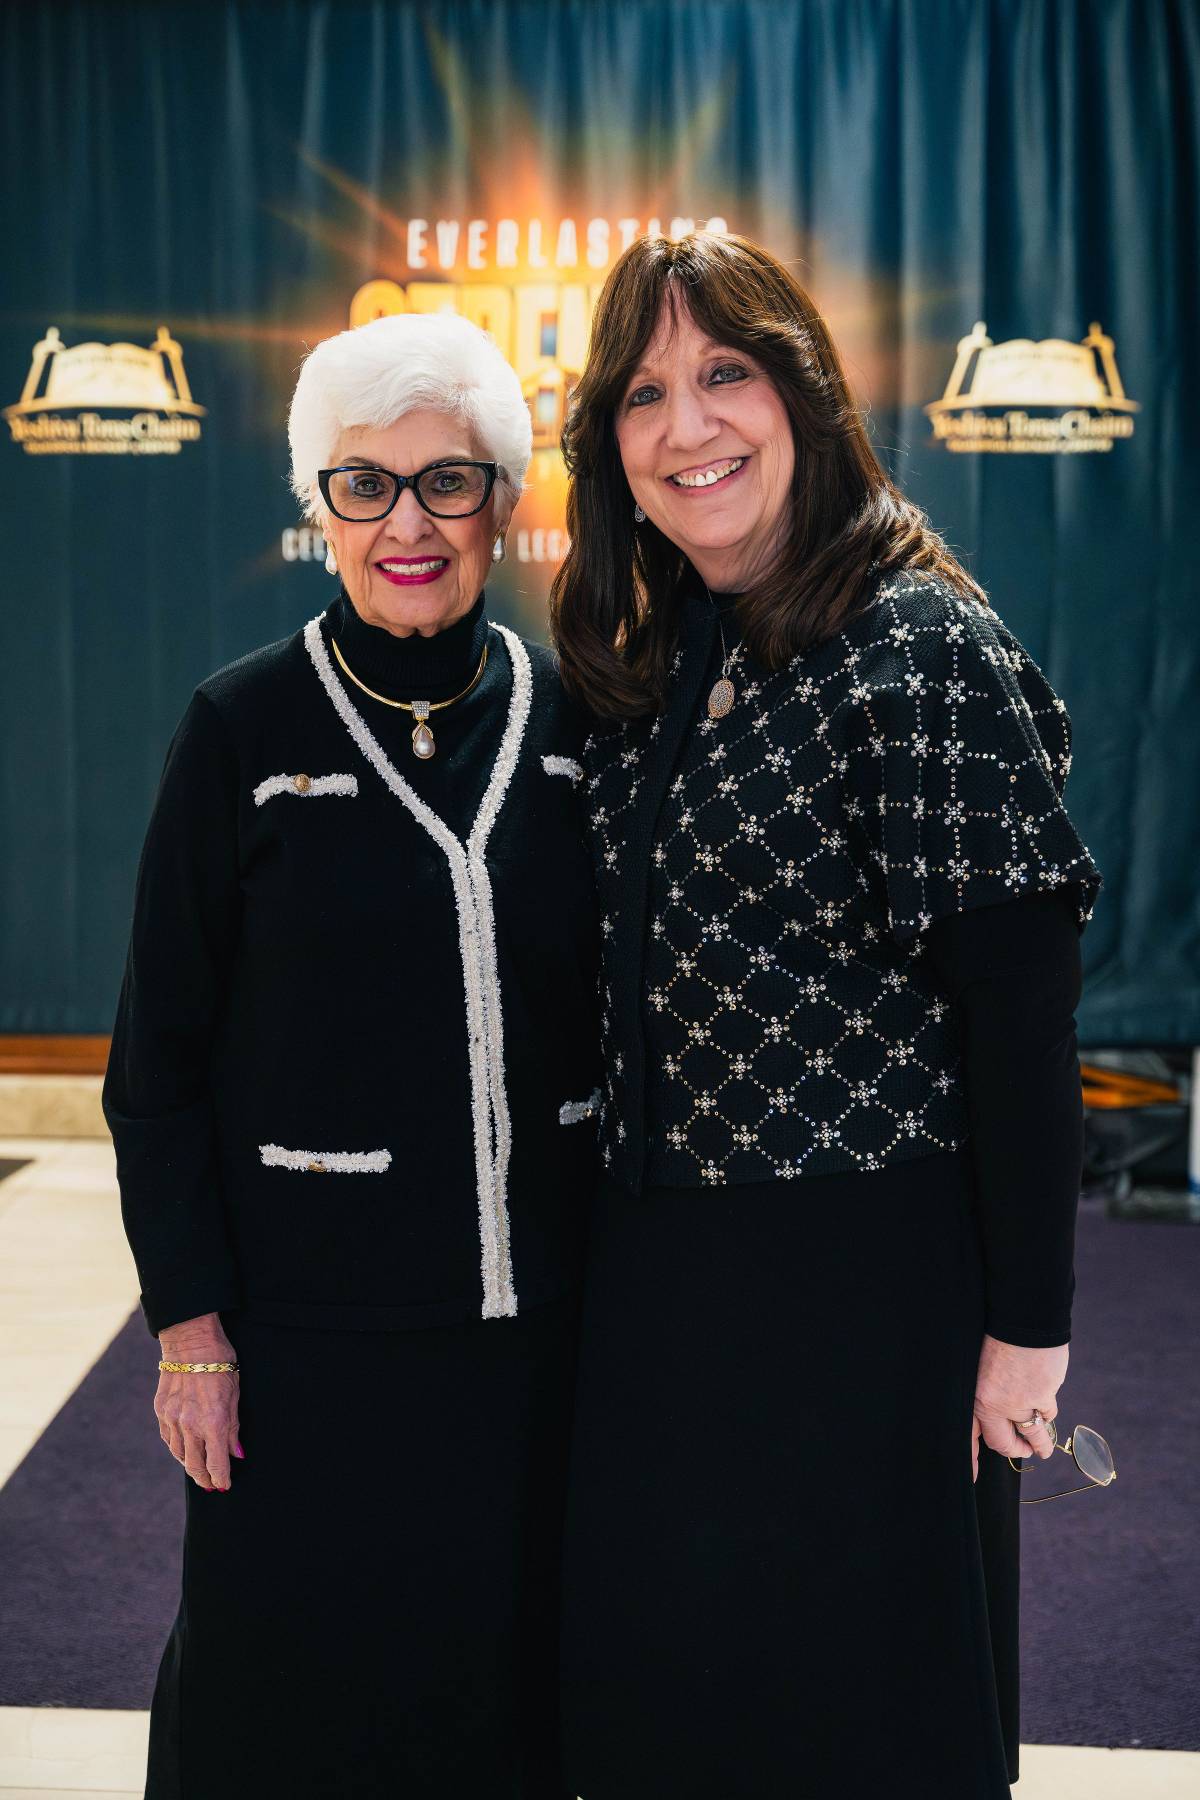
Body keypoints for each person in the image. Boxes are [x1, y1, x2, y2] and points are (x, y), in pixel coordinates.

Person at [550, 231, 1102, 1800]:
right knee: (676, 1719)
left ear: (804, 393)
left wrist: (1028, 1338)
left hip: (869, 1299)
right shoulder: (659, 661)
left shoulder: (924, 650)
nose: (687, 425)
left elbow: (1021, 1028)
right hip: (659, 1290)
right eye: (644, 392)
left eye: (725, 372)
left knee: (864, 1726)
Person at [103, 310, 598, 1800]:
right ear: (319, 506)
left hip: (537, 1336)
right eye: (364, 485)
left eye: (448, 481)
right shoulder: (238, 727)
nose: (407, 524)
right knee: (286, 1698)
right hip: (306, 1343)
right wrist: (191, 1332)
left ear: (504, 499)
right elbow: (156, 1065)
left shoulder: (580, 718)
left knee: (507, 1691)